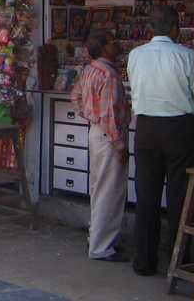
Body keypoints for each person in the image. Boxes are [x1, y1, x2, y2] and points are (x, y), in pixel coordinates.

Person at [127, 5, 194, 276]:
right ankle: (178, 261)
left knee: (146, 194)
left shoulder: (136, 55)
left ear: (150, 29)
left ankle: (144, 261)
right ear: (176, 29)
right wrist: (192, 111)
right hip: (178, 128)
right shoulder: (186, 56)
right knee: (179, 196)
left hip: (146, 129)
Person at [70, 30, 131, 263]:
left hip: (96, 133)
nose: (118, 45)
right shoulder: (109, 74)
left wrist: (88, 114)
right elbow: (110, 115)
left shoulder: (89, 69)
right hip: (108, 137)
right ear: (105, 47)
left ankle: (96, 236)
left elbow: (75, 95)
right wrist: (119, 145)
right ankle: (101, 247)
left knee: (98, 187)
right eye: (114, 42)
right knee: (110, 190)